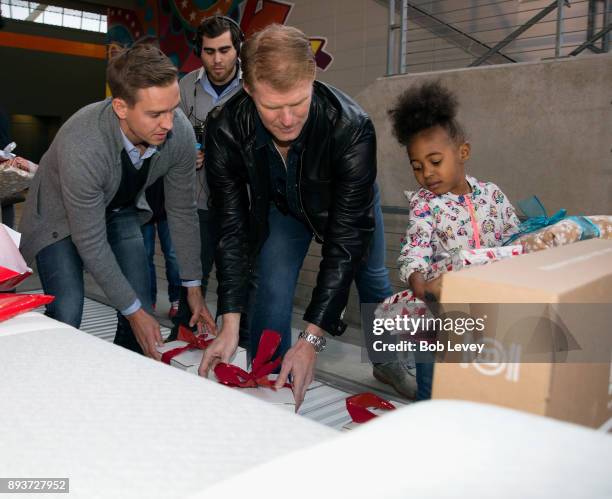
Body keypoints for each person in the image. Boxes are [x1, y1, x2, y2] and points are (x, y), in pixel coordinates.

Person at [199, 24, 413, 407]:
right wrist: (229, 320)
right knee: (271, 282)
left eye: (297, 103)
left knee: (373, 277)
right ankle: (268, 376)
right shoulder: (225, 126)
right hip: (285, 208)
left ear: (313, 78)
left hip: (348, 206)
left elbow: (345, 243)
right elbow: (230, 227)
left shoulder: (352, 126)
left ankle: (386, 359)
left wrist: (311, 339)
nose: (286, 120)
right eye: (271, 107)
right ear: (248, 90)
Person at [19, 44, 215, 358]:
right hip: (60, 220)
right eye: (155, 114)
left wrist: (192, 286)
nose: (168, 123)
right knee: (68, 310)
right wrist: (132, 311)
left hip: (120, 208)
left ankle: (122, 379)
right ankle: (49, 377)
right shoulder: (83, 143)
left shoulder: (177, 132)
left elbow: (182, 211)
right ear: (121, 107)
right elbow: (90, 240)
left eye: (172, 108)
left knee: (141, 304)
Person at [387, 80, 520, 399]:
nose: (427, 174)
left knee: (474, 387)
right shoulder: (425, 204)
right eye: (417, 167)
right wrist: (418, 278)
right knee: (432, 390)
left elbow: (514, 238)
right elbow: (414, 247)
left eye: (435, 161)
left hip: (481, 313)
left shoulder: (492, 196)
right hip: (435, 316)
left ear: (463, 152)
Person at [171, 15, 245, 335]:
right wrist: (186, 154)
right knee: (192, 282)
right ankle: (181, 343)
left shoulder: (255, 85)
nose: (217, 59)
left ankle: (240, 350)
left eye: (225, 50)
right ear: (198, 51)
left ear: (238, 49)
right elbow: (167, 139)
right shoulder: (185, 87)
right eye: (209, 51)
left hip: (243, 207)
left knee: (247, 287)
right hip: (199, 204)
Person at [141, 177, 182, 318]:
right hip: (143, 205)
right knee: (145, 256)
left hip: (169, 204)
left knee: (173, 255)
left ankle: (176, 299)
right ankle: (149, 301)